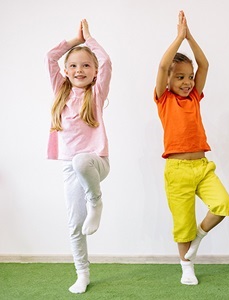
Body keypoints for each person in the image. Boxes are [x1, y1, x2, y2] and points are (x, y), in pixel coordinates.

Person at [154, 11, 229, 285]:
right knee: (183, 223)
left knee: (224, 204)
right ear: (168, 82)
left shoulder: (195, 98)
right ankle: (186, 266)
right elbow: (164, 66)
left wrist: (189, 36)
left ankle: (199, 237)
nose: (187, 82)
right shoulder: (163, 99)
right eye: (180, 78)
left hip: (202, 167)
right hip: (177, 170)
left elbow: (204, 64)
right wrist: (178, 38)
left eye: (189, 77)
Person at [45, 19, 112, 293]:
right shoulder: (60, 91)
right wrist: (74, 41)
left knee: (80, 160)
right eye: (73, 65)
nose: (79, 70)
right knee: (75, 225)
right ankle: (82, 273)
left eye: (86, 65)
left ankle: (96, 201)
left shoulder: (96, 94)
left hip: (96, 164)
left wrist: (89, 39)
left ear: (95, 72)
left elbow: (107, 61)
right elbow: (50, 57)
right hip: (71, 170)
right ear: (65, 71)